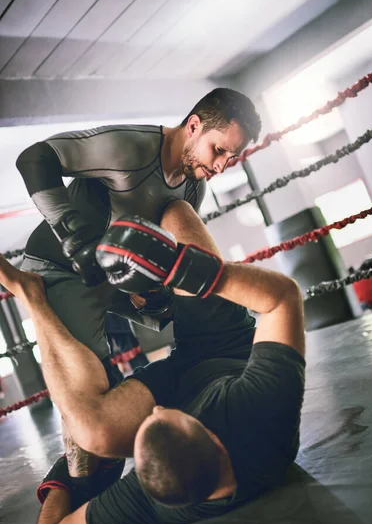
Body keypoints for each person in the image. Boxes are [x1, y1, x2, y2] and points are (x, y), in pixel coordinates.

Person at [0, 201, 305, 524]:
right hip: (225, 344)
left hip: (177, 379)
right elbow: (284, 296)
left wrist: (70, 479)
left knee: (91, 432)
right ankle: (153, 206)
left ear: (143, 480)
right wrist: (180, 266)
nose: (156, 410)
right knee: (174, 212)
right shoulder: (264, 410)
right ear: (212, 435)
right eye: (163, 417)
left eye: (150, 419)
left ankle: (30, 296)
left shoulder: (150, 501)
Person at [15, 88, 261, 389]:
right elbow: (35, 158)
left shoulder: (194, 188)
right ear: (194, 126)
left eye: (231, 157)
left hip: (115, 274)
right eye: (219, 150)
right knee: (93, 387)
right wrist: (74, 237)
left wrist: (155, 291)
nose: (221, 166)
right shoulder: (130, 147)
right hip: (60, 267)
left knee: (185, 312)